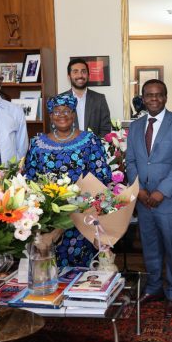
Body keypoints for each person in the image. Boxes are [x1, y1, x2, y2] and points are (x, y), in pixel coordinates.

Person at [23, 94, 111, 268]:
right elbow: (30, 180)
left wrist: (80, 203)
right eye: (56, 111)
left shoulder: (89, 141)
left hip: (83, 216)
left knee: (84, 272)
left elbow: (101, 177)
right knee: (50, 267)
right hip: (49, 218)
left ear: (73, 114)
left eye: (66, 111)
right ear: (50, 116)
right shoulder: (37, 144)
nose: (61, 115)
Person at [126, 79, 172, 318]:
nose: (154, 99)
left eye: (159, 94)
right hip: (143, 200)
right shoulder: (135, 127)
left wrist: (161, 191)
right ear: (143, 99)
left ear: (165, 97)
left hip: (169, 200)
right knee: (149, 247)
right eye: (149, 95)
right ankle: (154, 288)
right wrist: (139, 190)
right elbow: (130, 161)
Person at [60, 58, 112, 137]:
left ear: (88, 75)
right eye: (75, 72)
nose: (80, 75)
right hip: (68, 148)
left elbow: (106, 129)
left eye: (83, 71)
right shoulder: (60, 100)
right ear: (69, 76)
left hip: (94, 148)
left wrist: (94, 146)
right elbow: (56, 129)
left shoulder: (99, 99)